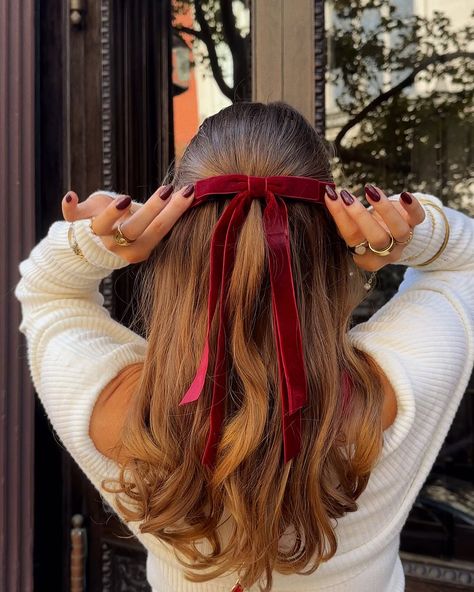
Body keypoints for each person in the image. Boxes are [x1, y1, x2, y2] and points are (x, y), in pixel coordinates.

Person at [14, 101, 473, 592]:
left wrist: (95, 240)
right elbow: (465, 263)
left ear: (174, 242)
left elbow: (48, 294)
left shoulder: (111, 407)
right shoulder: (396, 387)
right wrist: (407, 232)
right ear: (333, 240)